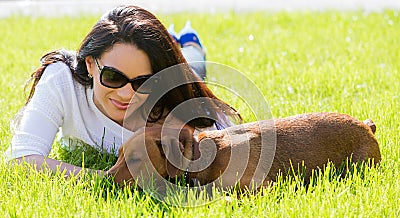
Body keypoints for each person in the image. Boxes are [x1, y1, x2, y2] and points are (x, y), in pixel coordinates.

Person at [6, 5, 240, 184]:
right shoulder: (62, 80)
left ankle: (189, 43)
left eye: (143, 82)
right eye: (113, 77)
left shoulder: (173, 106)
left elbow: (228, 140)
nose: (127, 93)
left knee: (194, 66)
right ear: (90, 64)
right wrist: (106, 178)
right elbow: (21, 159)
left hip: (181, 69)